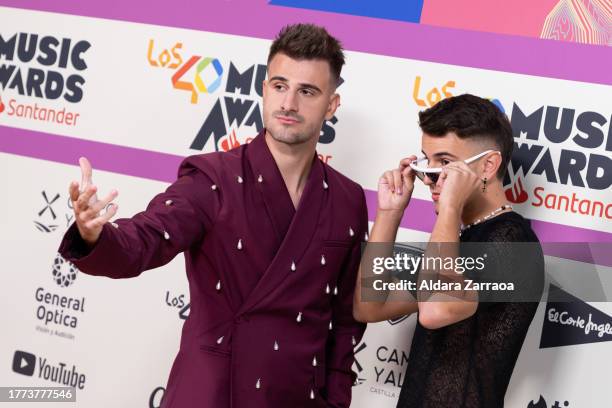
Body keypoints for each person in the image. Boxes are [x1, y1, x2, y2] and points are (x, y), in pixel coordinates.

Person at [59, 24, 368, 408]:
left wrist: (336, 399)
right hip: (212, 393)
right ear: (264, 88)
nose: (289, 103)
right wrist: (95, 235)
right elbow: (148, 237)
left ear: (331, 105)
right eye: (279, 85)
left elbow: (345, 320)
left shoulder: (348, 199)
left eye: (307, 91)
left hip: (297, 397)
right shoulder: (213, 177)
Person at [353, 94, 544, 407]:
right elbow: (369, 306)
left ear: (488, 165)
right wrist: (389, 214)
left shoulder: (513, 241)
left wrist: (451, 207)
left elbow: (435, 309)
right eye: (426, 161)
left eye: (445, 163)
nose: (429, 176)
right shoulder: (457, 239)